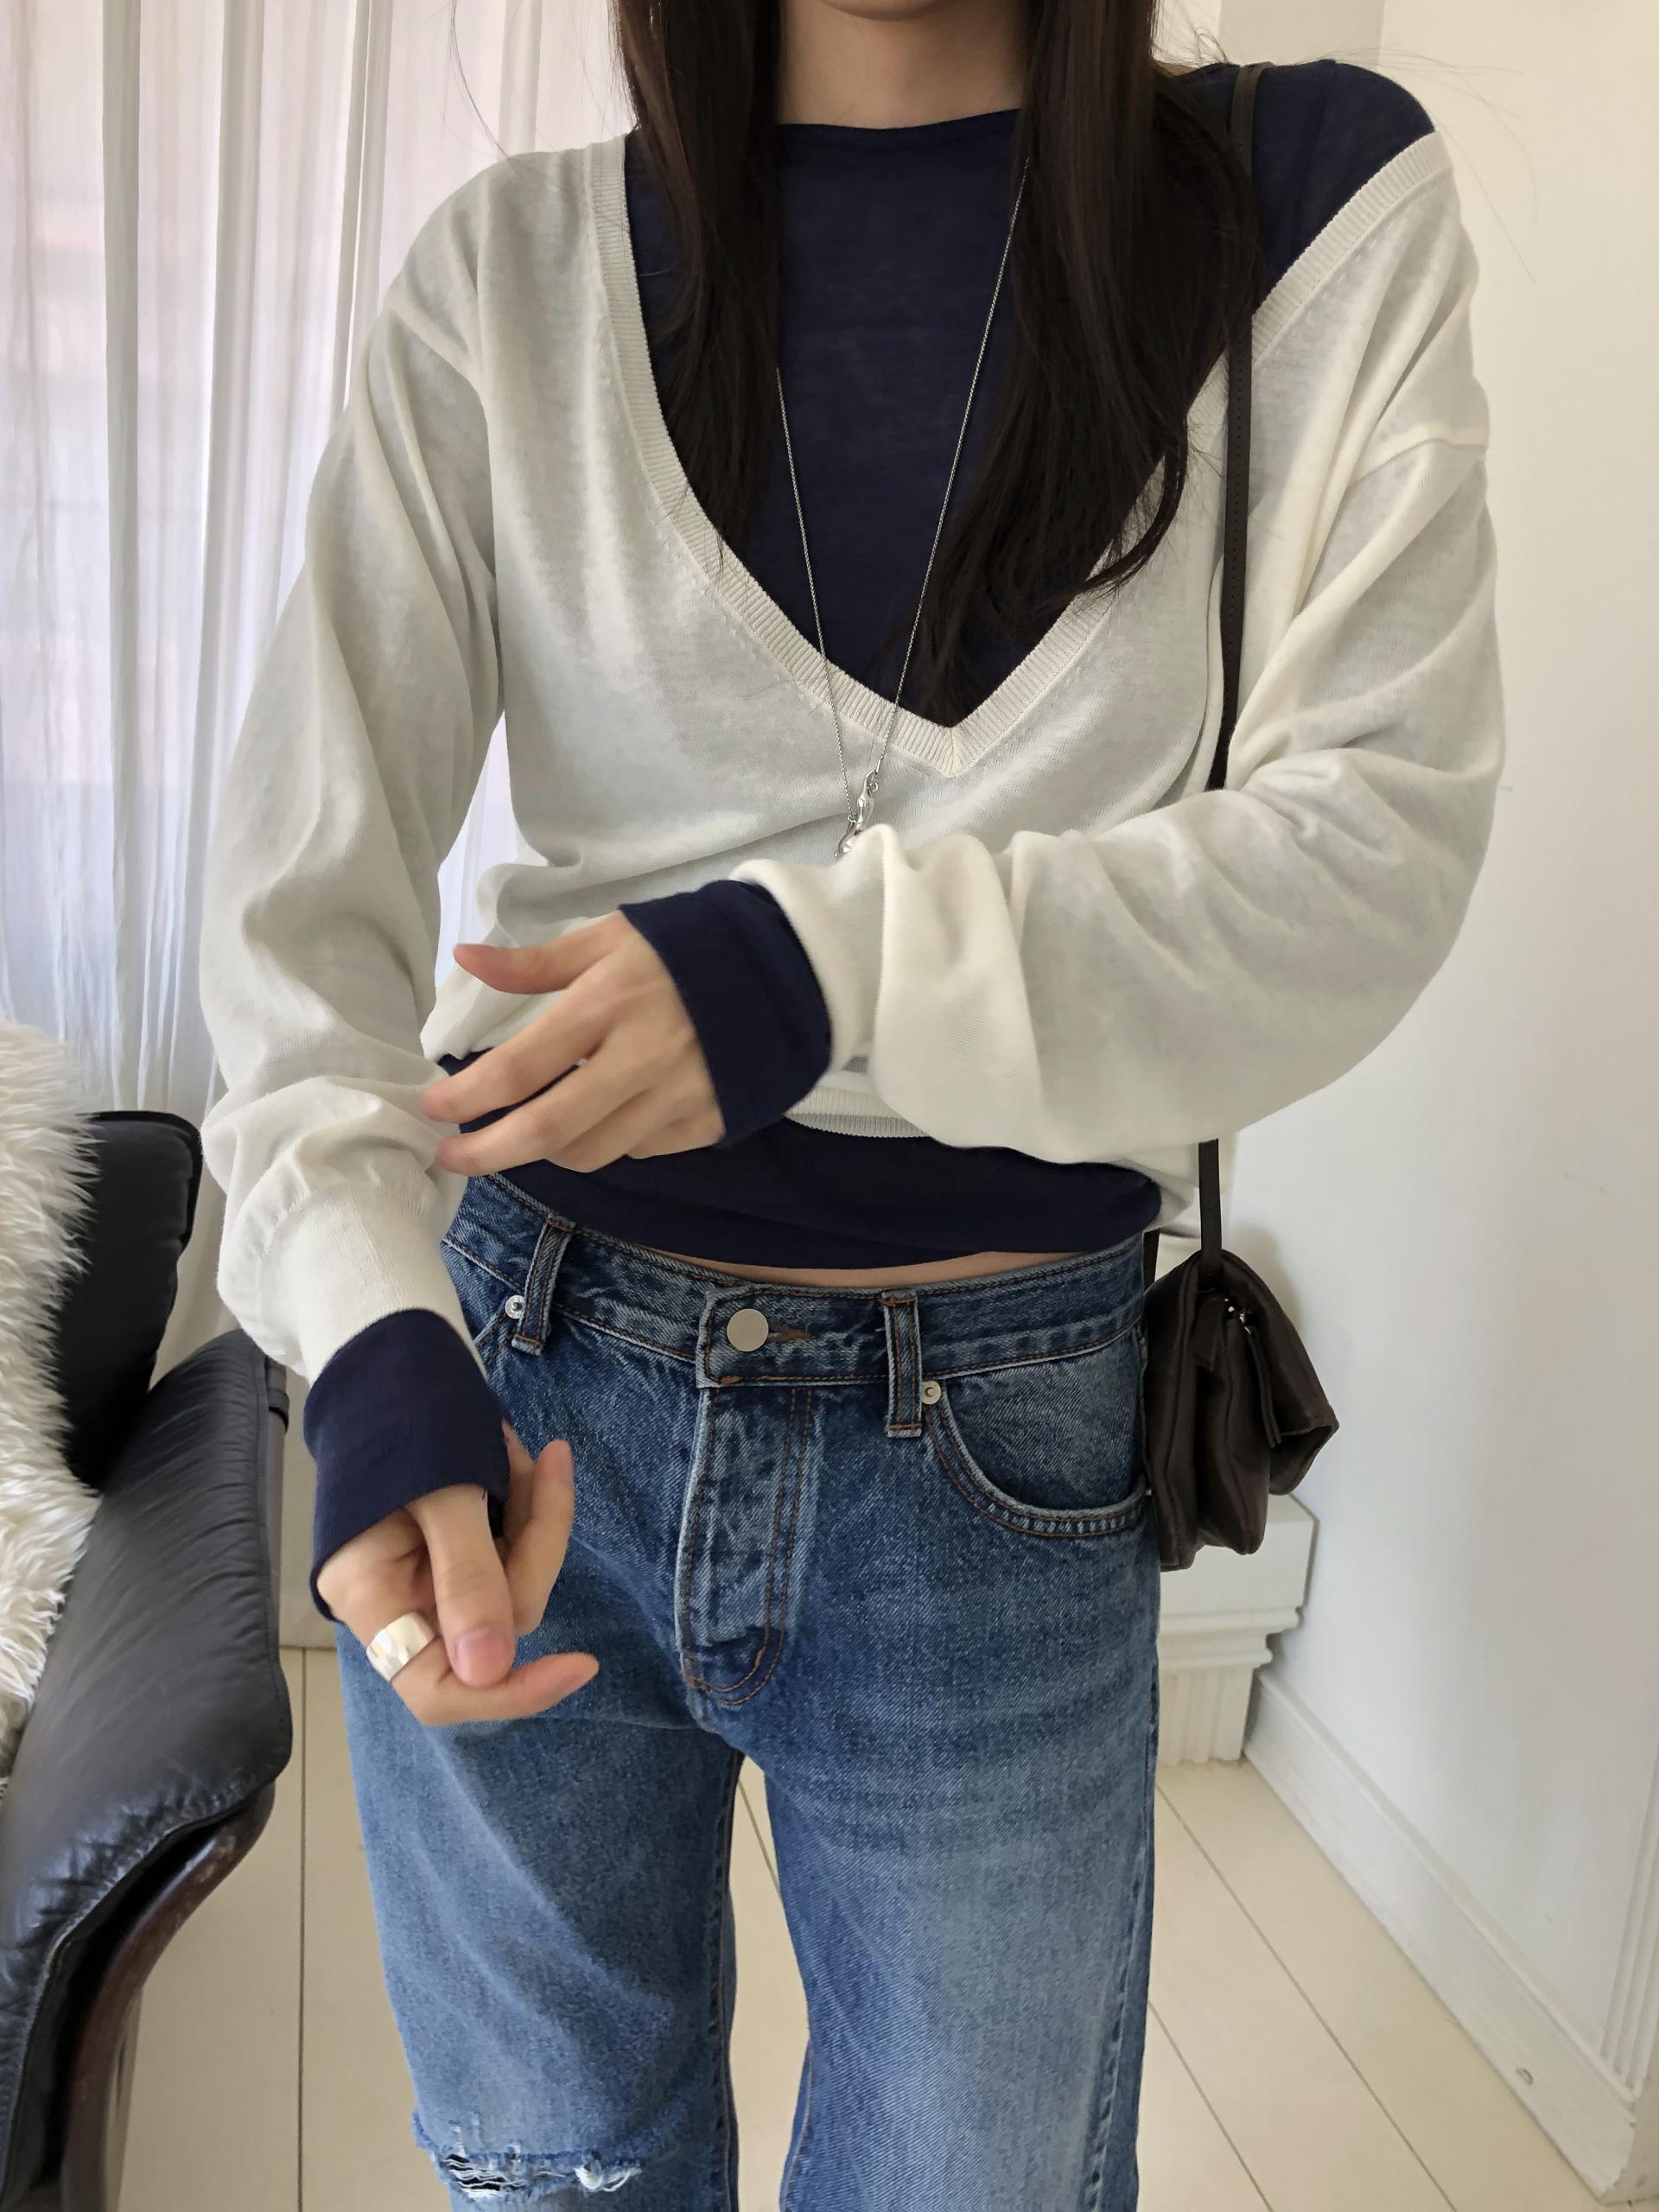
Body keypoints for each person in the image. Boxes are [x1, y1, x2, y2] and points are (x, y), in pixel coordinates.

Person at [197, 0, 1503, 2202]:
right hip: (525, 1372)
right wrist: (370, 1333)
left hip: (999, 1446)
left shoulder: (1311, 211)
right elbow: (291, 906)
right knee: (552, 2171)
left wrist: (823, 964)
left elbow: (1371, 848)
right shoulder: (514, 275)